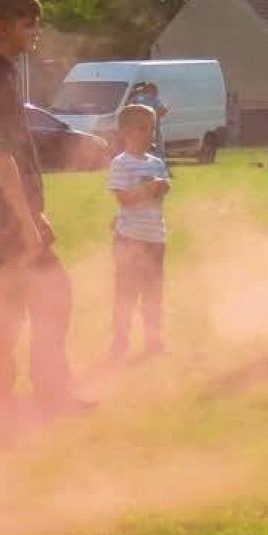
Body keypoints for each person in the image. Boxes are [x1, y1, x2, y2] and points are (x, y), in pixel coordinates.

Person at [0, 0, 86, 428]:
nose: (37, 32)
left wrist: (35, 210)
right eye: (30, 23)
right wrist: (26, 222)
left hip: (8, 214)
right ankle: (9, 408)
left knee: (37, 302)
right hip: (4, 218)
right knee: (22, 308)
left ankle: (29, 399)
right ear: (4, 25)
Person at [107, 103, 171, 359]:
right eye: (142, 129)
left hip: (156, 238)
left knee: (153, 294)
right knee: (126, 294)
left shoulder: (156, 163)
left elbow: (160, 192)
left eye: (152, 129)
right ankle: (120, 342)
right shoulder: (121, 164)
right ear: (125, 132)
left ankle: (153, 340)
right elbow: (123, 198)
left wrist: (162, 188)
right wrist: (149, 189)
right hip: (130, 240)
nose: (149, 135)